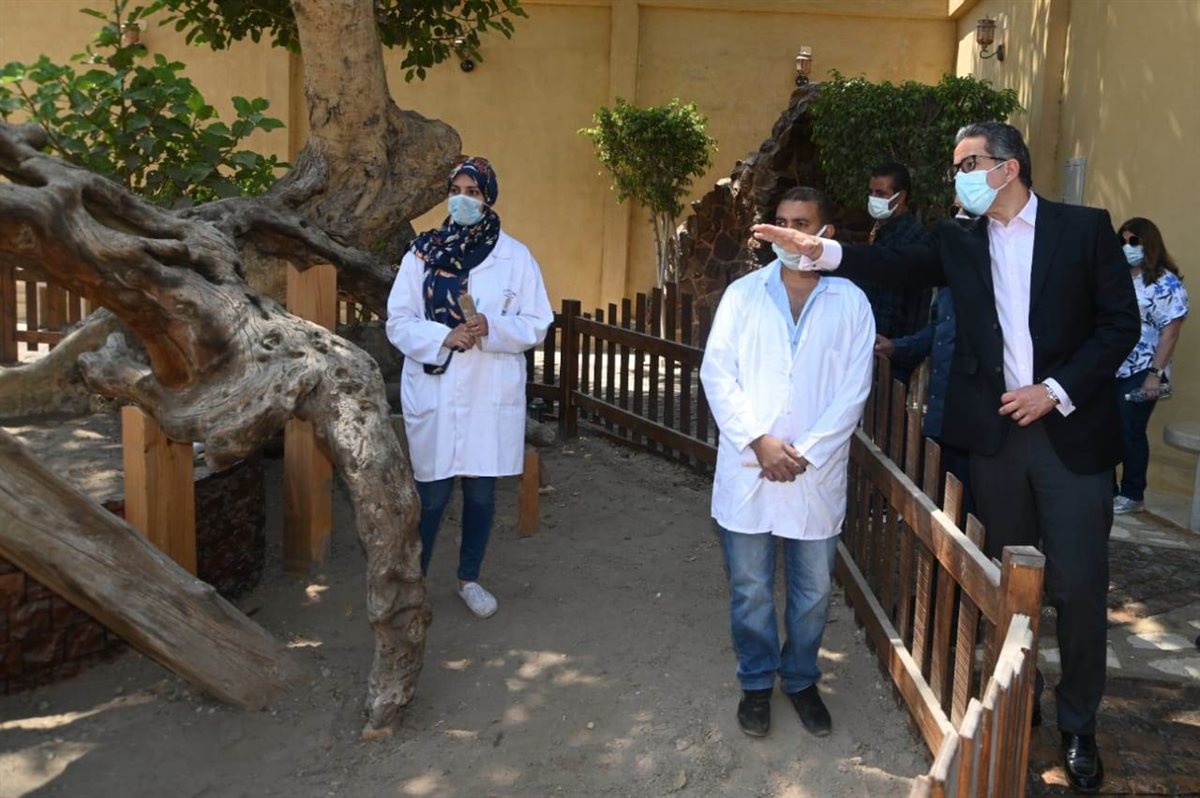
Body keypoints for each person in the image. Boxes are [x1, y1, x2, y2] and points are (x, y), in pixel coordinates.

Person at [751, 122, 1139, 794]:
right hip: (995, 442)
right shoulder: (960, 239)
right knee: (1009, 590)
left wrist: (1054, 390)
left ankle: (1079, 724)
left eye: (967, 163)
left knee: (1078, 589)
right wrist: (821, 251)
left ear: (1007, 167)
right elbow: (897, 266)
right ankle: (1021, 699)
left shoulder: (1084, 229)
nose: (956, 175)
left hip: (1071, 437)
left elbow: (1119, 325)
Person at [700, 187, 875, 740]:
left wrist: (807, 451)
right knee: (750, 587)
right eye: (780, 221)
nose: (787, 233)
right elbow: (717, 373)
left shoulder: (851, 301)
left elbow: (853, 390)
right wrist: (758, 441)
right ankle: (756, 682)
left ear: (825, 235)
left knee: (813, 591)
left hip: (812, 472)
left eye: (801, 223)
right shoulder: (743, 295)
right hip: (750, 463)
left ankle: (800, 679)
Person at [386, 156, 552, 618]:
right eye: (456, 191)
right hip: (436, 389)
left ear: (488, 197)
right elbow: (398, 321)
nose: (462, 200)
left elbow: (538, 322)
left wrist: (491, 327)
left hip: (487, 390)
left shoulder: (515, 257)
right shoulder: (421, 254)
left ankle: (469, 579)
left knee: (480, 493)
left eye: (473, 192)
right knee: (432, 496)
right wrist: (443, 336)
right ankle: (413, 583)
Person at [1113, 217, 1188, 514]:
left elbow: (1171, 333)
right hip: (1113, 367)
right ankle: (1108, 490)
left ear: (1149, 243)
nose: (1127, 247)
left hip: (1146, 369)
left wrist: (1155, 375)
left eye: (1133, 241)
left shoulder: (1166, 283)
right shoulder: (1118, 278)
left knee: (1130, 427)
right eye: (1122, 241)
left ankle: (1133, 494)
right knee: (1107, 426)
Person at [858, 162, 934, 385]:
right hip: (875, 350)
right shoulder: (882, 232)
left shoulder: (912, 239)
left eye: (881, 193)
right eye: (871, 192)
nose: (873, 198)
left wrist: (897, 347)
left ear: (900, 197)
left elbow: (905, 304)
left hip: (893, 356)